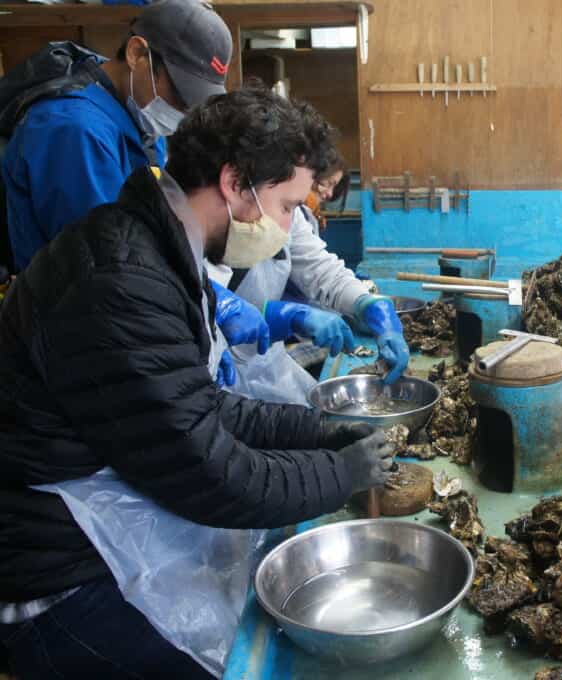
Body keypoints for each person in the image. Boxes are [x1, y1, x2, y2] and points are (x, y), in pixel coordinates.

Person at [0, 88, 396, 679]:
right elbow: (210, 473)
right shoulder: (123, 280)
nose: (289, 230)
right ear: (236, 183)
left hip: (102, 531)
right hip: (52, 583)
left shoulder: (155, 246)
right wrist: (341, 474)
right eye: (288, 206)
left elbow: (205, 406)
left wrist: (322, 431)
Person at [0, 0, 272, 385]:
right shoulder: (74, 130)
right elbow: (110, 263)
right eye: (178, 92)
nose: (181, 109)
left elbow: (159, 231)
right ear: (137, 54)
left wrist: (203, 297)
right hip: (68, 334)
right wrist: (210, 304)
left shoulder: (138, 125)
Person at [216, 155, 410, 404]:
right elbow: (203, 307)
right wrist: (272, 316)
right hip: (222, 378)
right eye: (287, 207)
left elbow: (320, 268)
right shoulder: (201, 232)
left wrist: (366, 303)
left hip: (266, 363)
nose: (289, 221)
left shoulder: (291, 214)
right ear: (236, 184)